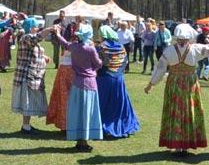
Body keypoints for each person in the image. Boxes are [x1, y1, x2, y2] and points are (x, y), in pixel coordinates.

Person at [146, 23, 209, 156]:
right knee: (188, 111)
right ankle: (186, 145)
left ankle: (177, 145)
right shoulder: (195, 49)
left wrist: (151, 83)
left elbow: (160, 68)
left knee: (175, 111)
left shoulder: (168, 51)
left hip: (174, 83)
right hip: (190, 83)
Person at [55, 23, 103, 152]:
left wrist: (58, 34)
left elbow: (65, 44)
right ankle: (84, 142)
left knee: (77, 113)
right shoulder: (90, 49)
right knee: (86, 113)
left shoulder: (74, 47)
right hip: (89, 84)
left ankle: (78, 140)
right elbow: (98, 63)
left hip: (76, 83)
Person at [11, 19, 55, 133]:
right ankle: (26, 127)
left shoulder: (28, 38)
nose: (37, 28)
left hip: (33, 76)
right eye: (36, 26)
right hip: (27, 76)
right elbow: (37, 38)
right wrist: (49, 29)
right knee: (27, 102)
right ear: (30, 27)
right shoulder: (26, 37)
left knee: (29, 102)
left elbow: (32, 50)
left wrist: (43, 56)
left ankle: (27, 125)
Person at [96, 25, 140, 138]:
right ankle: (121, 124)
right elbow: (125, 62)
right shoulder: (121, 46)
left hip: (104, 79)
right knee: (118, 102)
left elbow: (97, 63)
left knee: (104, 103)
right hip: (119, 79)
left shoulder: (100, 47)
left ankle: (103, 125)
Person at [46, 48, 73, 131]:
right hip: (73, 70)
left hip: (65, 69)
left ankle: (64, 125)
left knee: (63, 97)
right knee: (66, 98)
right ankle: (67, 125)